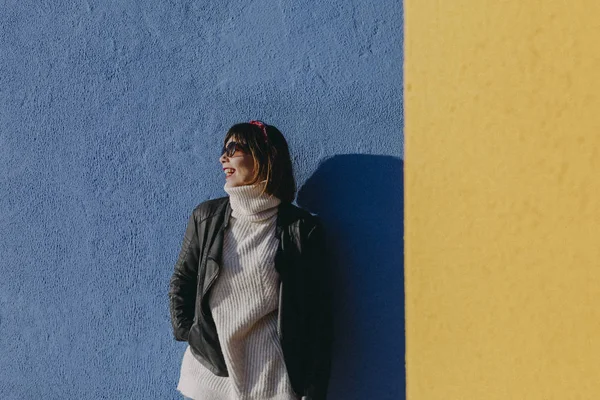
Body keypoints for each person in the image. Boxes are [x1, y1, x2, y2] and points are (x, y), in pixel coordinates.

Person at [168, 120, 334, 400]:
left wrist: (314, 391)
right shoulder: (206, 217)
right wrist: (191, 333)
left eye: (233, 148)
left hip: (272, 380)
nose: (223, 157)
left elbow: (318, 320)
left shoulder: (301, 230)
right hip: (210, 375)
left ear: (263, 156)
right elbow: (182, 280)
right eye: (224, 148)